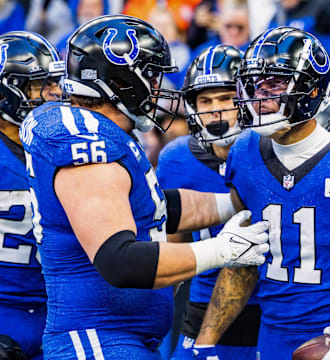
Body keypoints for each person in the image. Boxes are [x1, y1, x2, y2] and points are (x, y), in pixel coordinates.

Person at [19, 15, 270, 360]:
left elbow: (154, 207)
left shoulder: (98, 130)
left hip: (118, 337)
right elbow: (120, 260)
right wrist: (223, 250)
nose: (157, 86)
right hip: (99, 339)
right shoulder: (87, 142)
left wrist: (235, 203)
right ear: (122, 79)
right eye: (151, 75)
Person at [194, 26, 330, 360]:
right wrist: (205, 342)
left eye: (275, 85)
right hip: (270, 340)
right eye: (254, 86)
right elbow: (244, 259)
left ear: (312, 90)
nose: (261, 98)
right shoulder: (244, 152)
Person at [156, 45, 261, 360]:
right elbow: (172, 246)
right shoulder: (176, 158)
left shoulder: (269, 149)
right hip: (200, 307)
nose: (216, 111)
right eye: (205, 101)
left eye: (226, 99)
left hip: (271, 308)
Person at [0, 31, 65, 359]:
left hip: (58, 312)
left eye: (55, 83)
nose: (54, 94)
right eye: (41, 84)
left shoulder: (62, 145)